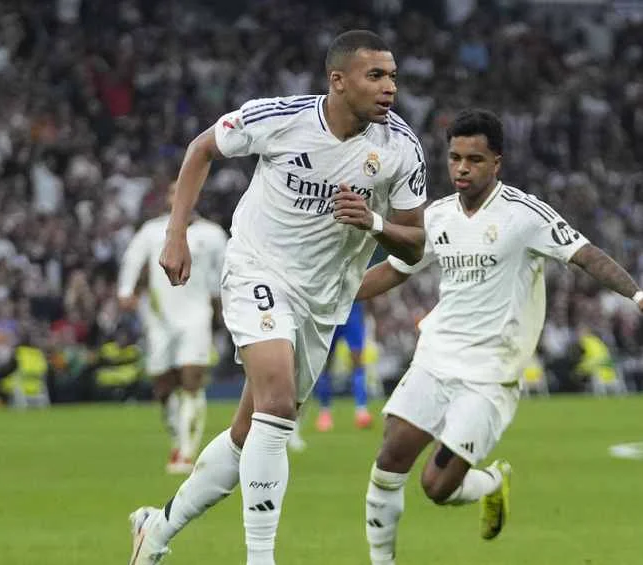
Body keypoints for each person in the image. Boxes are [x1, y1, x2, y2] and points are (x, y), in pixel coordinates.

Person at [128, 30, 428, 565]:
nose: (390, 87)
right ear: (338, 81)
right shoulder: (280, 118)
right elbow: (202, 149)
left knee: (250, 434)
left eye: (393, 77)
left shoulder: (401, 148)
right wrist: (176, 234)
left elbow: (414, 244)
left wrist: (375, 223)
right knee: (276, 406)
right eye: (376, 76)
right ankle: (260, 558)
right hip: (257, 269)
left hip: (321, 301)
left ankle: (157, 528)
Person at [355, 109, 643, 565]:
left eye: (474, 159)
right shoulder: (438, 216)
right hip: (435, 358)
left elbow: (585, 253)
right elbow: (395, 269)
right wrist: (332, 297)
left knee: (436, 487)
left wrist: (638, 296)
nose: (462, 169)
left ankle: (491, 482)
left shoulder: (524, 215)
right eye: (455, 158)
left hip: (490, 373)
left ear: (497, 162)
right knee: (388, 463)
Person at [118, 211, 227, 473]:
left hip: (197, 315)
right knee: (163, 386)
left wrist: (225, 304)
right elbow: (133, 258)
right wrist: (126, 290)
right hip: (160, 321)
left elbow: (227, 268)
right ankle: (178, 439)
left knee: (192, 380)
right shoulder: (151, 230)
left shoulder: (212, 234)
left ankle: (186, 452)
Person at [314, 300, 373, 431]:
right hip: (330, 313)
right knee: (325, 363)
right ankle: (325, 412)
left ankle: (361, 411)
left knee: (357, 361)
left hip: (352, 311)